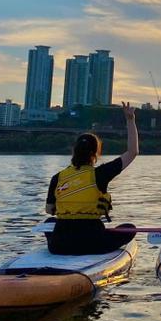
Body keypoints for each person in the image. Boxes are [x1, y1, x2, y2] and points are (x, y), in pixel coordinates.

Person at [45, 102, 139, 255]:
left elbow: (49, 211)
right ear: (96, 153)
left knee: (49, 222)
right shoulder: (101, 173)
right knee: (129, 228)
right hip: (93, 243)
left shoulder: (58, 178)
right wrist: (130, 120)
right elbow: (132, 152)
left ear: (74, 151)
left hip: (59, 245)